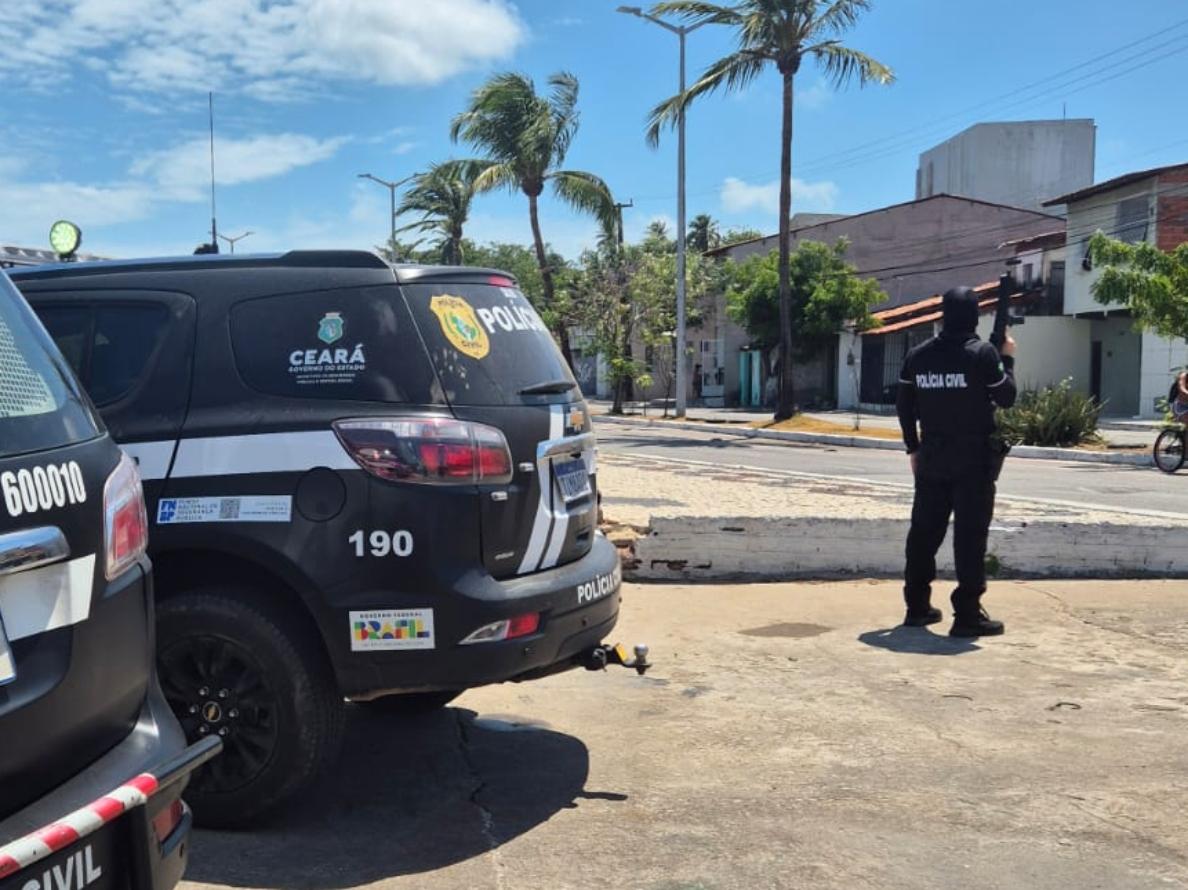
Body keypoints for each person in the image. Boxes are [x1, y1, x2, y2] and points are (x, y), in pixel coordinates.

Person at [895, 287, 1017, 637]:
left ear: (942, 315)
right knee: (970, 537)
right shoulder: (982, 354)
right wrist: (1006, 358)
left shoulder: (918, 356)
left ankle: (917, 607)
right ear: (975, 317)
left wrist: (912, 448)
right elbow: (1006, 396)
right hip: (973, 462)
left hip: (931, 457)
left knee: (923, 534)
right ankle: (967, 614)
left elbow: (904, 405)